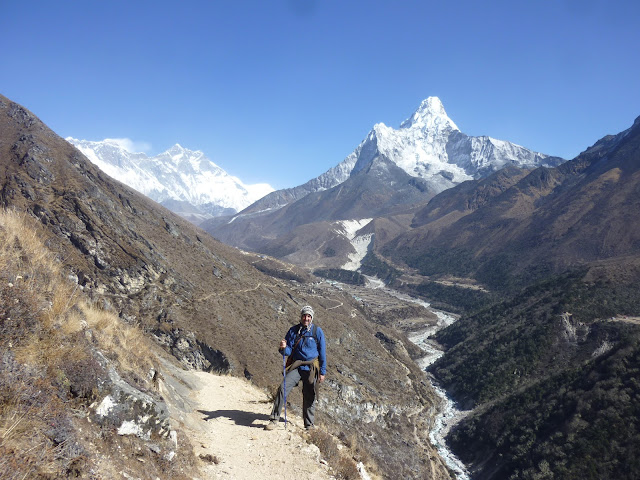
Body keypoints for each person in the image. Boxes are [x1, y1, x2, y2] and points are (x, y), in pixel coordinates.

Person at [265, 305, 326, 430]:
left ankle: (309, 426)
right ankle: (274, 419)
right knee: (283, 388)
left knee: (309, 395)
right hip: (297, 366)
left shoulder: (317, 331)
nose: (306, 318)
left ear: (312, 318)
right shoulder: (293, 331)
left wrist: (322, 372)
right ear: (301, 316)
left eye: (309, 316)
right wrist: (283, 347)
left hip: (311, 367)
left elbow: (322, 352)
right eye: (304, 316)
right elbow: (288, 351)